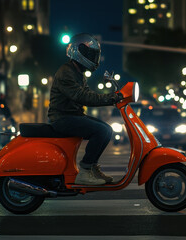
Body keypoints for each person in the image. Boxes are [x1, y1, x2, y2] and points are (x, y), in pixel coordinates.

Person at [48, 33, 123, 185]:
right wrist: (111, 98)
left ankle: (92, 167)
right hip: (62, 118)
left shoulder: (77, 72)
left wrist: (112, 97)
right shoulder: (66, 72)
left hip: (73, 116)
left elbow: (87, 93)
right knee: (101, 131)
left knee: (106, 129)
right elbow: (83, 96)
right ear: (78, 51)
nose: (93, 58)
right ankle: (85, 170)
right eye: (90, 54)